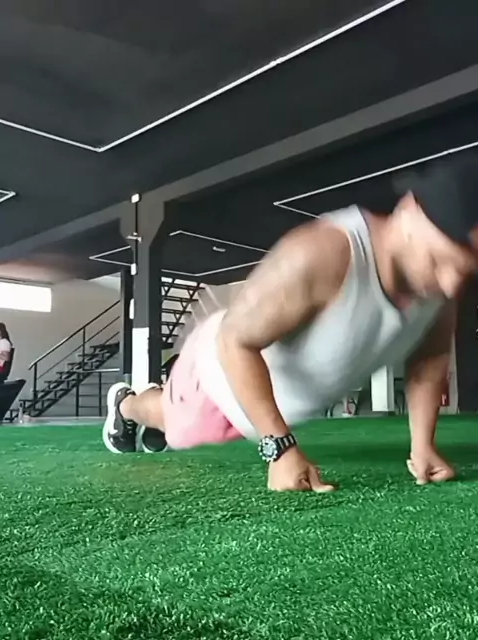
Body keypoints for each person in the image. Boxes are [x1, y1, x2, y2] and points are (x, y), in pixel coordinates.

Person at [103, 155, 478, 492]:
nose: (450, 286)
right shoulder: (322, 253)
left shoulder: (439, 287)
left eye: (465, 272)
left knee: (195, 427)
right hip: (220, 378)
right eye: (441, 261)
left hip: (278, 402)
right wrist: (279, 449)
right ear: (409, 213)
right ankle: (127, 405)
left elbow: (429, 361)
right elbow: (235, 341)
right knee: (174, 424)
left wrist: (423, 446)